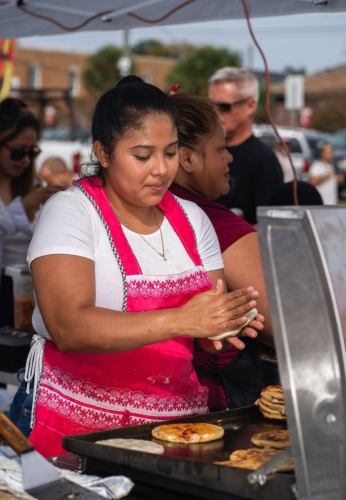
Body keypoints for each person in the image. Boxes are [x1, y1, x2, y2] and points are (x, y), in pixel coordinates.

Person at [9, 76, 264, 458]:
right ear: (105, 152)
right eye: (143, 156)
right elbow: (69, 327)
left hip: (175, 429)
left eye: (171, 152)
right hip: (76, 429)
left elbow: (202, 330)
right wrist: (185, 320)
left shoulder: (194, 220)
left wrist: (221, 325)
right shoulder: (72, 212)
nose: (161, 169)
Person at [168, 92, 273, 411]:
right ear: (187, 158)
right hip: (213, 404)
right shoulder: (216, 223)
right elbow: (285, 322)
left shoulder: (152, 211)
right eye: (221, 148)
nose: (229, 159)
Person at [0, 98, 61, 327]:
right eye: (17, 152)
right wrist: (23, 206)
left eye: (31, 152)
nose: (25, 160)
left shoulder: (32, 184)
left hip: (29, 292)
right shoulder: (30, 195)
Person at [208, 67, 283, 226]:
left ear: (250, 105)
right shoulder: (204, 152)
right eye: (209, 106)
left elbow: (268, 226)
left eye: (223, 106)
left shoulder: (264, 161)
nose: (215, 113)